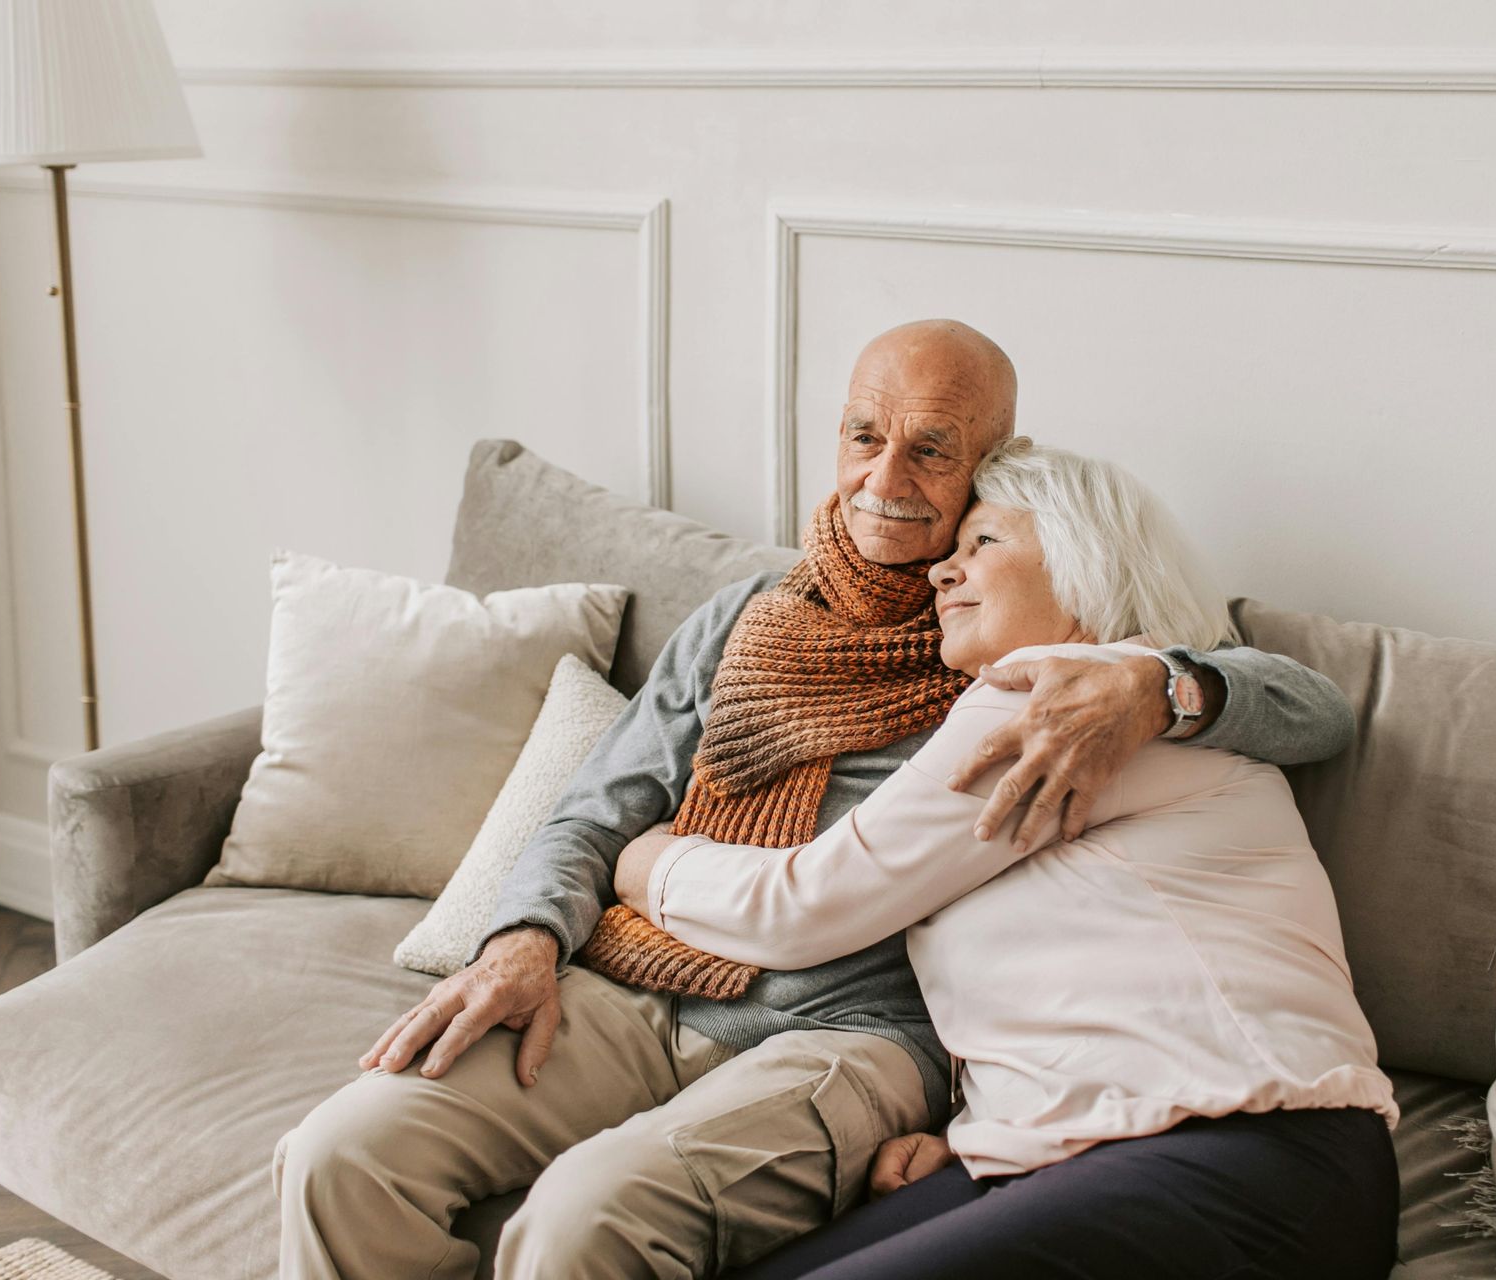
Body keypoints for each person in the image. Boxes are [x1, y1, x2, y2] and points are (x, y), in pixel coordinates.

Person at [273, 321, 1359, 1280]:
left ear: (988, 471)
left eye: (932, 449)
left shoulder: (1044, 671)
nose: (885, 474)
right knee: (338, 1157)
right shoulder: (749, 615)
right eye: (861, 436)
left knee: (580, 1222)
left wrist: (1156, 683)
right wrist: (518, 940)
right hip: (646, 975)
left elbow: (1310, 706)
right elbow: (596, 808)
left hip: (849, 1029)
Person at [615, 439, 1399, 1280]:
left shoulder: (1062, 697)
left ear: (1086, 558)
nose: (941, 574)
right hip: (1083, 1160)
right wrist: (970, 1129)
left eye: (982, 544)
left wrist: (646, 861)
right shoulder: (1129, 700)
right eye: (948, 556)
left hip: (1250, 1150)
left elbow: (804, 907)